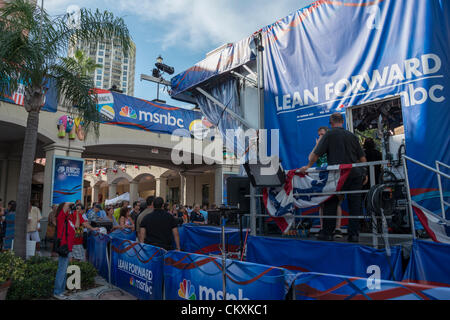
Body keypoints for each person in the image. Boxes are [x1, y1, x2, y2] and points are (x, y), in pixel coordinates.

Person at [300, 113, 368, 242]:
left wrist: (308, 165)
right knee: (354, 205)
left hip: (338, 175)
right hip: (354, 174)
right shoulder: (352, 136)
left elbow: (315, 155)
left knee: (331, 203)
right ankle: (354, 235)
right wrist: (364, 172)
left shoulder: (328, 135)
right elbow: (362, 158)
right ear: (342, 122)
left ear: (331, 123)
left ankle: (327, 233)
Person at [314, 126, 345, 239]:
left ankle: (338, 229)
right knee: (321, 203)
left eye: (322, 134)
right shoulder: (318, 147)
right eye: (319, 135)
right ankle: (323, 228)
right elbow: (312, 158)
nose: (320, 137)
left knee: (336, 202)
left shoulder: (333, 145)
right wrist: (317, 145)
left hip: (334, 177)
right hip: (322, 178)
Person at [53, 202, 75, 299]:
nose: (69, 209)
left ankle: (61, 290)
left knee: (64, 270)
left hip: (68, 248)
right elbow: (66, 204)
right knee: (61, 270)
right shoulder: (61, 217)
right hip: (64, 247)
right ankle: (57, 292)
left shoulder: (67, 218)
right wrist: (70, 203)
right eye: (68, 208)